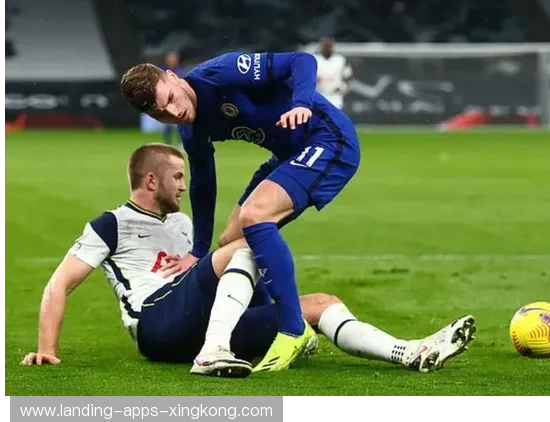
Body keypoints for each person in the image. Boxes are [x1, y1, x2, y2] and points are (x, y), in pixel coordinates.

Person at [21, 143, 477, 377]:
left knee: (317, 304)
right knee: (244, 245)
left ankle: (409, 352)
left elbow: (224, 267)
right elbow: (59, 284)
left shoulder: (182, 225)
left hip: (199, 322)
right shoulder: (111, 223)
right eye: (177, 177)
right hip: (156, 324)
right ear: (151, 180)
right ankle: (212, 353)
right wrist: (47, 350)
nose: (184, 186)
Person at [120, 50, 362, 372]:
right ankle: (260, 321)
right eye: (161, 114)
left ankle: (292, 329)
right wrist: (198, 251)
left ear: (174, 77)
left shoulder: (222, 73)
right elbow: (203, 182)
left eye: (171, 99)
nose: (175, 112)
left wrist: (302, 103)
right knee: (230, 244)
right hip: (287, 155)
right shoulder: (191, 129)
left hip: (329, 139)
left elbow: (301, 61)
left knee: (254, 215)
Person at [314, 37, 353, 110]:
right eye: (325, 45)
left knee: (334, 114)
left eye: (329, 46)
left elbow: (348, 76)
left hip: (335, 95)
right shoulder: (315, 59)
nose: (327, 48)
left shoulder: (340, 60)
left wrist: (344, 87)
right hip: (319, 94)